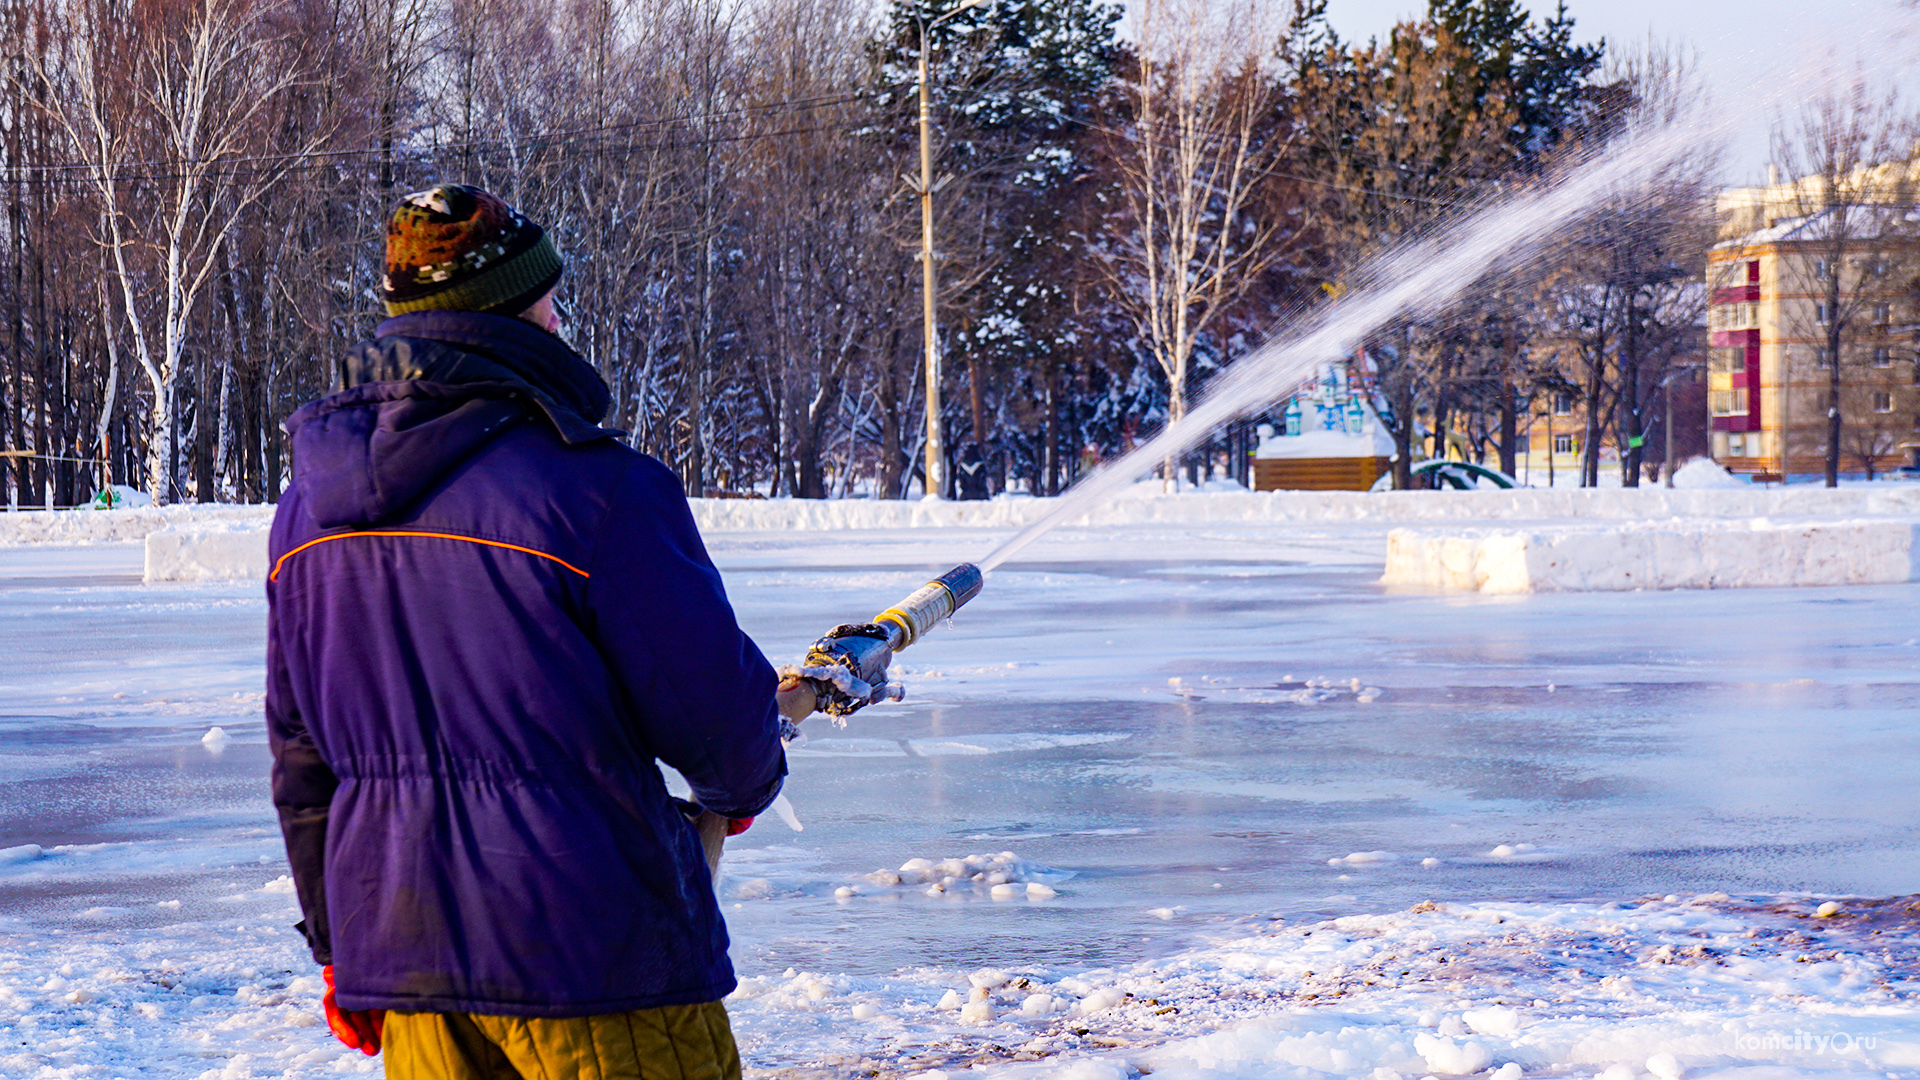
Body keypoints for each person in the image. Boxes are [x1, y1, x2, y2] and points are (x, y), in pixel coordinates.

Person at [266, 184, 792, 1080]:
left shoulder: (305, 515)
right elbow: (717, 726)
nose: (558, 318)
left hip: (409, 963)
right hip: (597, 964)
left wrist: (338, 948)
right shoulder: (598, 489)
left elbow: (302, 762)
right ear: (516, 312)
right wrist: (742, 782)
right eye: (547, 298)